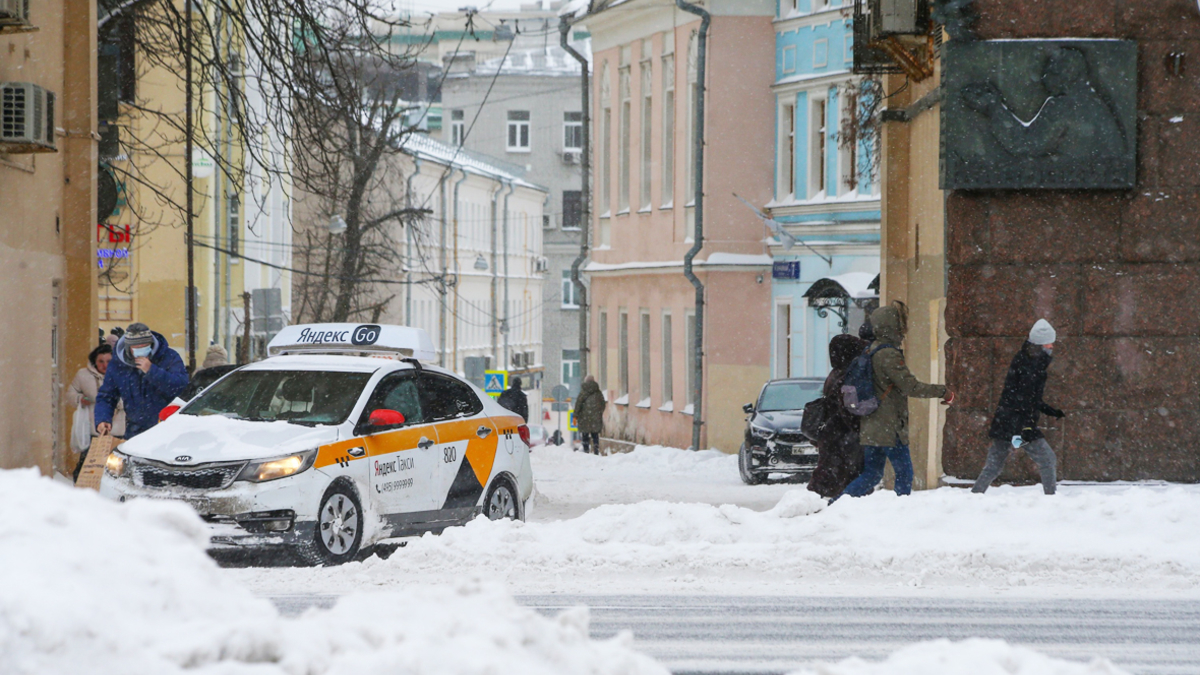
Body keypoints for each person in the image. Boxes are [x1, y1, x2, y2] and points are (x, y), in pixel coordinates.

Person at [840, 302, 953, 498]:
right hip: (890, 427)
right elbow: (911, 386)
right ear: (892, 327)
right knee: (904, 474)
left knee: (871, 475)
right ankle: (901, 512)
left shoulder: (870, 350)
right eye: (900, 326)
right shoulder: (888, 354)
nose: (903, 331)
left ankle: (836, 505)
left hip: (872, 424)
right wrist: (943, 392)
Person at [972, 319, 1064, 495]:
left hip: (1006, 422)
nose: (1052, 346)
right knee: (1047, 460)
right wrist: (1024, 429)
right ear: (1041, 343)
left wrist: (1049, 411)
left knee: (994, 465)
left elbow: (1027, 398)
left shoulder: (1027, 359)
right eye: (1049, 342)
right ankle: (1051, 500)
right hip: (1019, 425)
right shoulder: (1033, 365)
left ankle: (974, 496)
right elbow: (1024, 401)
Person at [95, 322, 189, 439]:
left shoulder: (169, 357)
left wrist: (152, 371)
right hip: (135, 430)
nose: (142, 350)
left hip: (167, 428)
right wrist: (103, 419)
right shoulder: (118, 365)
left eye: (145, 346)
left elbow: (181, 387)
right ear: (128, 348)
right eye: (137, 348)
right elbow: (107, 395)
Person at [807, 334, 868, 499]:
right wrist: (858, 428)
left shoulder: (836, 373)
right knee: (841, 475)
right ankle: (813, 505)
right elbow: (847, 408)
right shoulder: (846, 375)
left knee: (829, 472)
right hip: (842, 435)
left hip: (832, 433)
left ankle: (814, 503)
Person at [68, 344, 126, 481]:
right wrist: (80, 399)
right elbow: (70, 393)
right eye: (101, 361)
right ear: (95, 361)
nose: (105, 365)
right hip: (93, 429)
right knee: (87, 466)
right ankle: (83, 490)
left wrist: (117, 402)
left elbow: (132, 397)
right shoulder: (83, 375)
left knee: (115, 468)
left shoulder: (123, 375)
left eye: (108, 361)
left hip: (118, 430)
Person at [574, 375, 606, 455]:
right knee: (595, 434)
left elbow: (578, 404)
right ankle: (596, 449)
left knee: (585, 434)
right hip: (595, 418)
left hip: (585, 418)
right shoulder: (598, 392)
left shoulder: (583, 392)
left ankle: (586, 450)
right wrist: (598, 413)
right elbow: (602, 404)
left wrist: (575, 415)